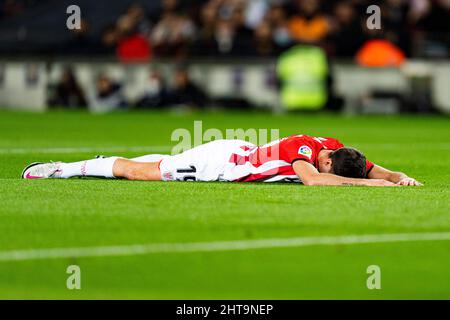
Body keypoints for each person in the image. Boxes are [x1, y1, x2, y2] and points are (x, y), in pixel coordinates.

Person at [21, 134, 422, 187]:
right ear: (328, 160)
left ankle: (102, 160)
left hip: (231, 153)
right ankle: (62, 169)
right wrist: (374, 185)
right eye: (327, 166)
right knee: (139, 174)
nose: (322, 167)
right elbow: (316, 182)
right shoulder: (303, 150)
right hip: (221, 165)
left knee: (161, 160)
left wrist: (397, 175)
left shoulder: (332, 148)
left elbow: (369, 167)